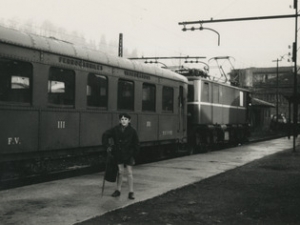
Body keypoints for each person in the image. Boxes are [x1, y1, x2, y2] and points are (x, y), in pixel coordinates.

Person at [102, 113, 139, 200]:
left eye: (125, 119)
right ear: (119, 120)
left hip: (129, 154)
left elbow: (136, 144)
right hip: (119, 154)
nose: (123, 121)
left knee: (129, 173)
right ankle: (118, 190)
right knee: (120, 172)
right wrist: (107, 146)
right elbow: (105, 135)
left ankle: (131, 192)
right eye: (122, 119)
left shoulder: (133, 131)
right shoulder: (115, 129)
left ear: (129, 121)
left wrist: (134, 155)